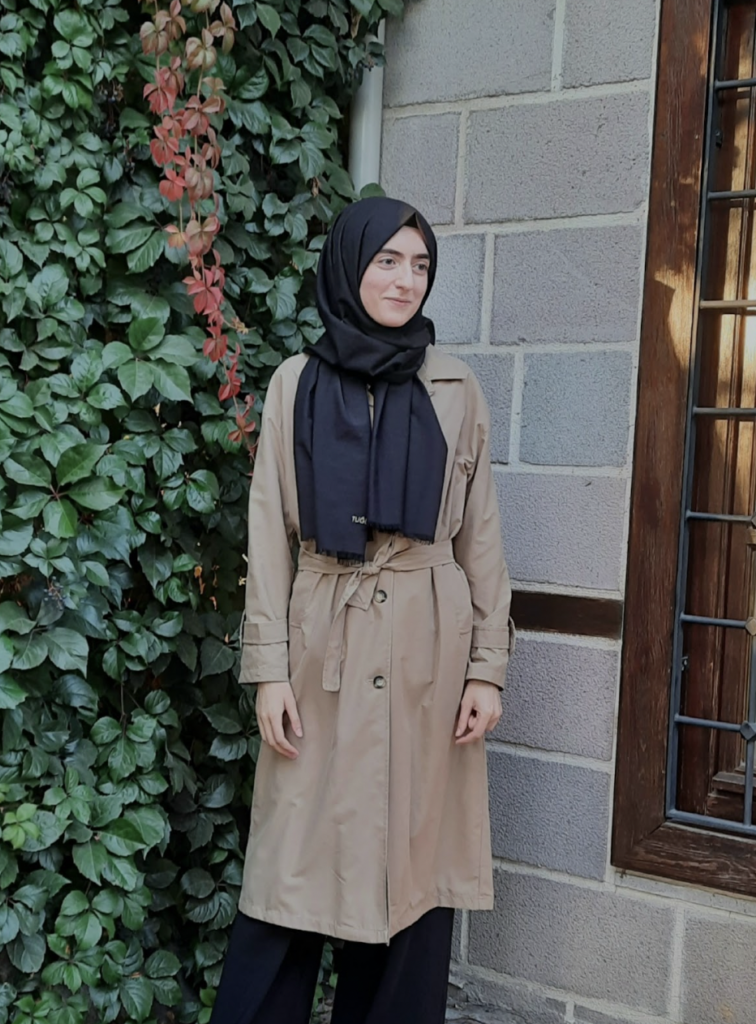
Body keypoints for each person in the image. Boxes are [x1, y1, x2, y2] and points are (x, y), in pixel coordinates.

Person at [211, 196, 515, 1024]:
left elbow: (481, 536)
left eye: (420, 265)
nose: (405, 280)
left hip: (428, 654)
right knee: (290, 875)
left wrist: (487, 669)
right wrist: (269, 670)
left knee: (411, 880)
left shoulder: (454, 388)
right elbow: (268, 531)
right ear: (350, 266)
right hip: (322, 651)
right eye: (387, 261)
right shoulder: (296, 384)